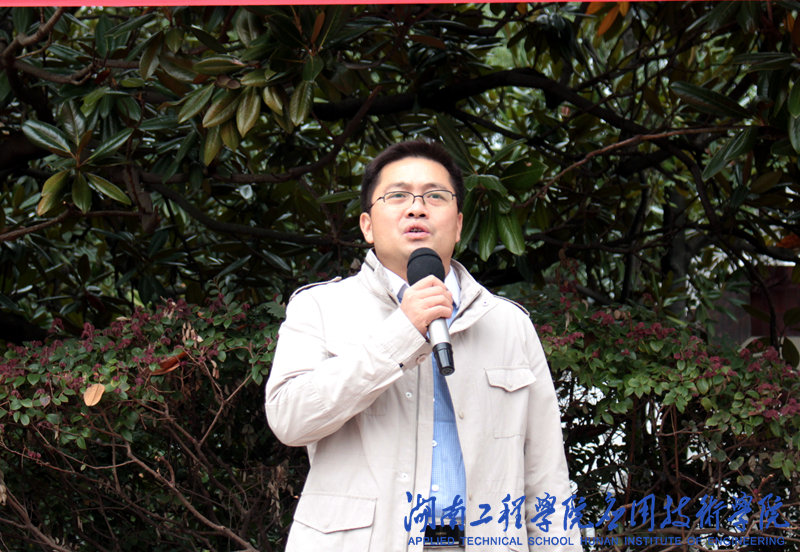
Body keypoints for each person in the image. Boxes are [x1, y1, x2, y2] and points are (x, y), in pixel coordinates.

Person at [265, 141, 582, 551]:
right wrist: (402, 332)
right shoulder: (321, 307)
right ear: (367, 225)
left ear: (459, 225)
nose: (417, 208)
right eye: (398, 196)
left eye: (435, 196)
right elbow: (290, 419)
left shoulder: (508, 324)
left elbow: (546, 476)